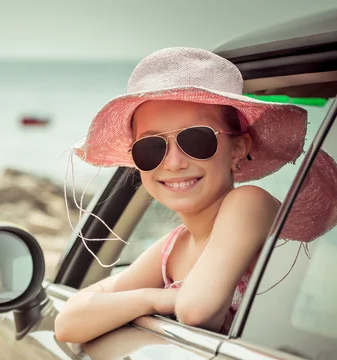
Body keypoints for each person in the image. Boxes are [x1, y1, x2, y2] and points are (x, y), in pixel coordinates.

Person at [55, 47, 337, 344]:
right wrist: (153, 299)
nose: (174, 162)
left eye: (196, 139)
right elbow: (67, 323)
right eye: (151, 147)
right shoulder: (173, 246)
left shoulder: (248, 203)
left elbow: (195, 310)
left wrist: (145, 304)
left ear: (238, 149)